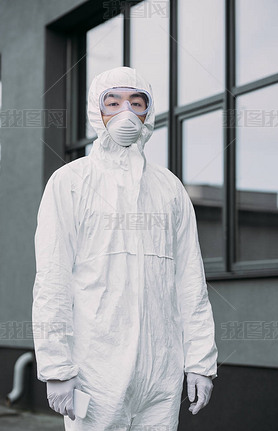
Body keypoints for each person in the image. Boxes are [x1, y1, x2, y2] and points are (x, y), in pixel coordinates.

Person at [32, 66, 218, 431]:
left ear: (149, 113)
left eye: (137, 103)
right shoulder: (70, 182)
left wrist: (200, 362)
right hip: (95, 372)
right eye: (113, 102)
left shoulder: (169, 189)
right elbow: (53, 279)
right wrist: (57, 368)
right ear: (95, 111)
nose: (126, 113)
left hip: (160, 376)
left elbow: (191, 282)